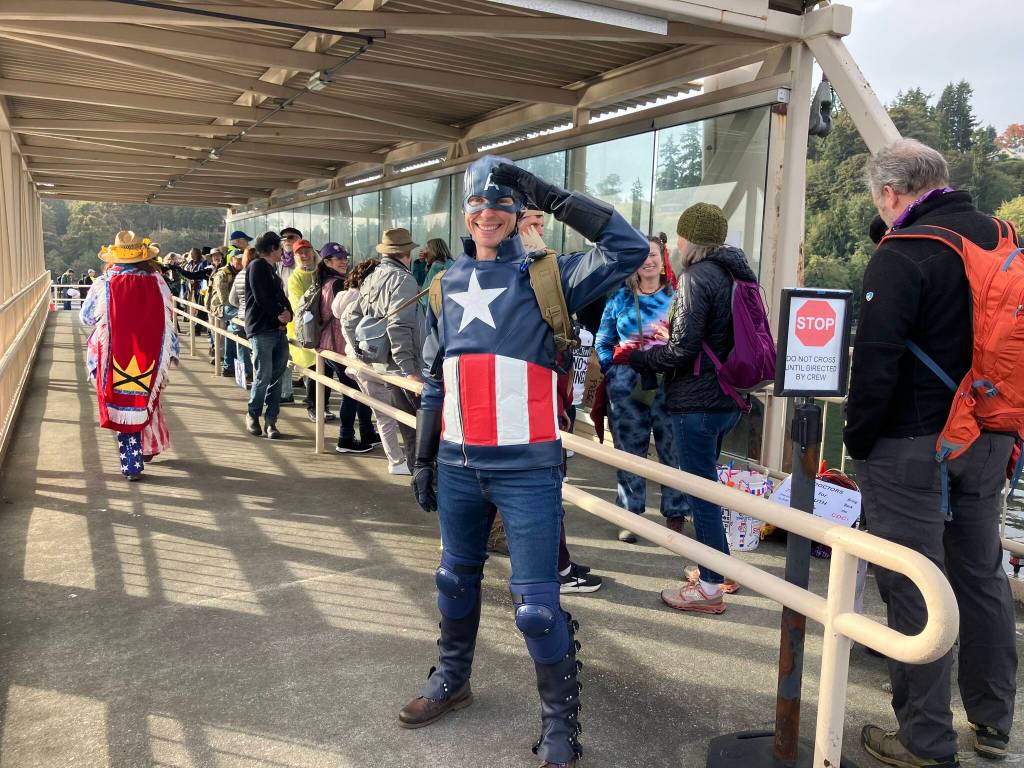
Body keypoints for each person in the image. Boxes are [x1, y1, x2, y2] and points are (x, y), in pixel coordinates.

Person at [399, 155, 647, 768]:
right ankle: (452, 680)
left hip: (528, 466)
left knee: (536, 608)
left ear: (517, 214)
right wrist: (424, 459)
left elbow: (629, 247)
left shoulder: (551, 277)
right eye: (478, 206)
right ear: (465, 214)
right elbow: (435, 380)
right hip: (458, 463)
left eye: (501, 205)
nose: (488, 214)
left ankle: (560, 723)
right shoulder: (443, 283)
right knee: (454, 579)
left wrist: (552, 195)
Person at [844, 139, 1017, 768]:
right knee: (980, 575)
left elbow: (877, 368)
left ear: (890, 193)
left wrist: (857, 442)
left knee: (917, 586)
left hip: (915, 446)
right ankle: (995, 723)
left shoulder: (905, 252)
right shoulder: (1001, 238)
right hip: (991, 438)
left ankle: (924, 742)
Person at [629, 203, 755, 614]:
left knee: (701, 493)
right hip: (729, 398)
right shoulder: (739, 273)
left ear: (686, 240)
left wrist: (642, 359)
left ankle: (711, 586)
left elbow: (681, 349)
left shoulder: (696, 277)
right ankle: (719, 566)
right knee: (710, 488)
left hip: (696, 403)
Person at [596, 235, 687, 542]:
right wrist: (613, 370)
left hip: (668, 383)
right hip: (626, 386)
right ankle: (629, 515)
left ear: (664, 262)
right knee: (629, 452)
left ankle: (676, 511)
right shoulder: (619, 298)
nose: (648, 261)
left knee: (671, 449)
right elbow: (603, 340)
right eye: (642, 256)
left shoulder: (678, 298)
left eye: (654, 256)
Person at [80, 231, 178, 481]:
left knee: (121, 401)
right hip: (152, 356)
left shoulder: (104, 283)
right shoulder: (158, 281)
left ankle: (131, 462)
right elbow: (169, 318)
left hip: (110, 356)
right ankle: (148, 446)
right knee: (145, 398)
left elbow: (87, 317)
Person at [341, 227, 424, 473]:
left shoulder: (372, 277)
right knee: (421, 425)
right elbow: (399, 325)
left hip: (382, 363)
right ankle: (425, 478)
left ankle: (417, 475)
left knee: (408, 426)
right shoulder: (404, 280)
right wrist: (409, 369)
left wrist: (360, 350)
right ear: (407, 253)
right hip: (404, 366)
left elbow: (349, 318)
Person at [335, 258, 410, 471]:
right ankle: (396, 461)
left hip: (354, 362)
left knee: (382, 414)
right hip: (367, 365)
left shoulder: (343, 296)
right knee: (386, 416)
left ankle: (397, 456)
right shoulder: (361, 299)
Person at [314, 242, 379, 454]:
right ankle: (345, 438)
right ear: (326, 261)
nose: (343, 261)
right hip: (339, 346)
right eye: (337, 258)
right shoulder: (337, 284)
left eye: (344, 257)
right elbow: (345, 317)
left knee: (356, 391)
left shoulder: (325, 281)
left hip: (328, 344)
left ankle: (367, 432)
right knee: (353, 393)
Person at [243, 232, 292, 440]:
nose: (283, 252)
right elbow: (261, 296)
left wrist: (289, 313)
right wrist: (280, 315)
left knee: (277, 377)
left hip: (277, 331)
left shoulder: (272, 270)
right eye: (280, 248)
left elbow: (281, 296)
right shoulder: (257, 266)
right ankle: (253, 415)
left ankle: (271, 421)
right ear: (273, 249)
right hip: (262, 330)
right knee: (264, 375)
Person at [286, 239, 336, 423]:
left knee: (327, 368)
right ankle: (314, 407)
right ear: (295, 257)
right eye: (300, 253)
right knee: (314, 368)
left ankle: (325, 405)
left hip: (325, 328)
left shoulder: (321, 272)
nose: (305, 255)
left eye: (307, 251)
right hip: (306, 329)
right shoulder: (295, 278)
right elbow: (298, 303)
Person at [212, 248, 243, 377]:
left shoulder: (243, 272)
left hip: (236, 307)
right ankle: (239, 367)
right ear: (231, 260)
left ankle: (229, 366)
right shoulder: (222, 274)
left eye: (242, 259)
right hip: (220, 307)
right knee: (244, 317)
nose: (241, 262)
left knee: (233, 330)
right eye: (238, 260)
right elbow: (224, 299)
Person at [227, 247, 255, 386]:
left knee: (242, 347)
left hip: (241, 316)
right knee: (256, 348)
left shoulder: (239, 275)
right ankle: (256, 376)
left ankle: (245, 375)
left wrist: (242, 306)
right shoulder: (258, 274)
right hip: (255, 318)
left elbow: (232, 299)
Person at [418, 238, 454, 306]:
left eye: (426, 248)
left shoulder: (436, 266)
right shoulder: (451, 263)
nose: (424, 251)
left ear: (432, 250)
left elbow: (427, 296)